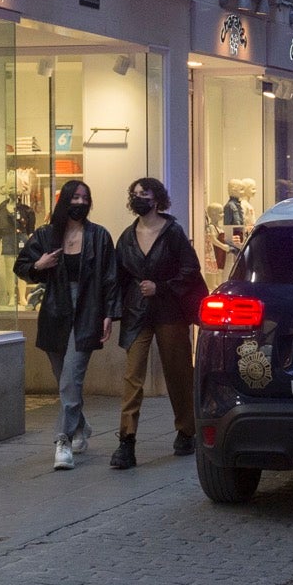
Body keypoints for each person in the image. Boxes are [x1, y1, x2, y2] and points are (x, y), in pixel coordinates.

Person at [14, 181, 118, 472]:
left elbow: (110, 277)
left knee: (71, 378)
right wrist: (39, 265)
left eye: (85, 197)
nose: (81, 202)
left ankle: (63, 440)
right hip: (56, 311)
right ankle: (81, 426)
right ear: (65, 201)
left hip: (88, 310)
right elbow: (21, 265)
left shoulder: (99, 236)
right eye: (75, 196)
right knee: (64, 379)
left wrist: (109, 313)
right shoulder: (47, 235)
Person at [111, 177, 204, 470]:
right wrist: (112, 313)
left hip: (170, 311)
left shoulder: (172, 232)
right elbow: (120, 277)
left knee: (178, 373)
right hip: (137, 312)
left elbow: (190, 269)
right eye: (135, 193)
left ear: (157, 199)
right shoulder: (126, 237)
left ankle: (186, 430)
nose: (139, 198)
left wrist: (161, 287)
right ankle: (127, 440)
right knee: (132, 375)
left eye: (145, 193)